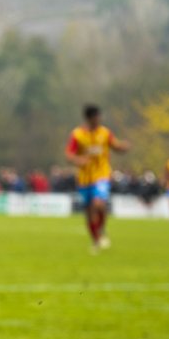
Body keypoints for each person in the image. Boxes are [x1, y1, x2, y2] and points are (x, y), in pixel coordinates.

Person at [65, 104, 130, 252]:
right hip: (84, 178)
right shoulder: (77, 135)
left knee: (98, 204)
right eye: (96, 117)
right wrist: (78, 160)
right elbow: (69, 154)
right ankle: (96, 240)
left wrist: (123, 147)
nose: (99, 120)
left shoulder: (105, 133)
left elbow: (115, 146)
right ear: (89, 118)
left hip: (102, 174)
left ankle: (102, 230)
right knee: (89, 212)